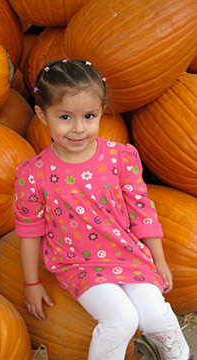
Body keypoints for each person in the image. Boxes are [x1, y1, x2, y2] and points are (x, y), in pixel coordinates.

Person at [14, 60, 191, 360]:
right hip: (79, 264)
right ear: (42, 115)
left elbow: (141, 211)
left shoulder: (120, 157)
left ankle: (181, 356)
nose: (79, 128)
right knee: (121, 319)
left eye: (89, 116)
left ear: (102, 111)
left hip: (127, 254)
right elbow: (30, 231)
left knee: (155, 315)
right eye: (66, 117)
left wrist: (158, 260)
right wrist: (31, 283)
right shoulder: (33, 173)